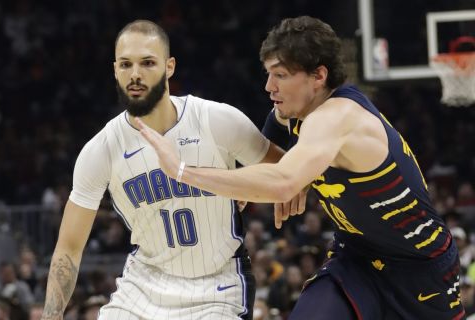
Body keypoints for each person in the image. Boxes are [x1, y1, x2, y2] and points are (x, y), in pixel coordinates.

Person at [137, 16, 465, 319]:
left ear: (318, 76)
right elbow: (277, 126)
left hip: (422, 270)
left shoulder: (337, 117)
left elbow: (281, 182)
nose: (269, 86)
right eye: (268, 74)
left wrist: (182, 171)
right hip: (357, 257)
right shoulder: (305, 108)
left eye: (280, 75)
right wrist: (283, 171)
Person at [41, 19, 302, 320]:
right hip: (142, 287)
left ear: (170, 67)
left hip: (217, 286)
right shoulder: (101, 149)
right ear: (115, 70)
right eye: (125, 65)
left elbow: (288, 172)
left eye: (147, 63)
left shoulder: (217, 120)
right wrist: (51, 315)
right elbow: (69, 248)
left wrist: (244, 185)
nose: (135, 74)